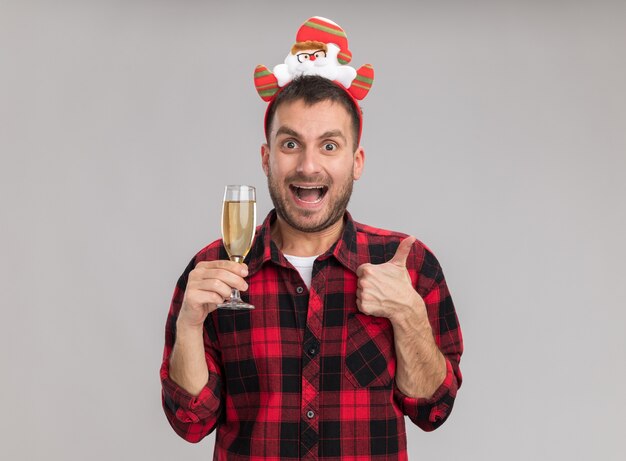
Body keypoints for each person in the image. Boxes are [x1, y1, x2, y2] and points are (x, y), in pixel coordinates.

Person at [160, 17, 463, 460]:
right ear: (266, 158)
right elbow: (191, 423)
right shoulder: (212, 271)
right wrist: (189, 324)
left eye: (329, 145)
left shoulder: (407, 266)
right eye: (290, 145)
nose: (307, 166)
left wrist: (409, 315)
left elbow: (433, 410)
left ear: (356, 161)